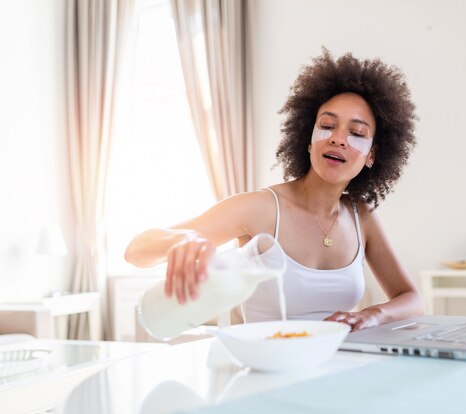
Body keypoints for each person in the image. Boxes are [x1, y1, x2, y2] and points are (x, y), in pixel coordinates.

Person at [125, 49, 425, 331]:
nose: (338, 139)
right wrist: (182, 239)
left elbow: (412, 298)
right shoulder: (262, 208)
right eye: (327, 125)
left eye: (356, 133)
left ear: (372, 155)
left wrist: (372, 315)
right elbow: (135, 252)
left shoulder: (361, 216)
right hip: (266, 369)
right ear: (309, 138)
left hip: (340, 368)